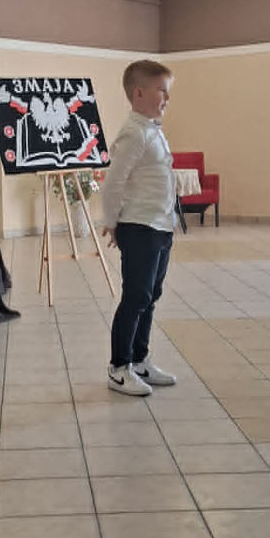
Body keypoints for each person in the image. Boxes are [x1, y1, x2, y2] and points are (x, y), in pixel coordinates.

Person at [102, 59, 178, 397]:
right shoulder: (133, 133)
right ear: (139, 93)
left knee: (150, 296)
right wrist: (111, 222)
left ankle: (140, 359)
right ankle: (119, 369)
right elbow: (113, 183)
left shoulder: (152, 129)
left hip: (160, 226)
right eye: (162, 91)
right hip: (140, 226)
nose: (167, 98)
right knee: (135, 298)